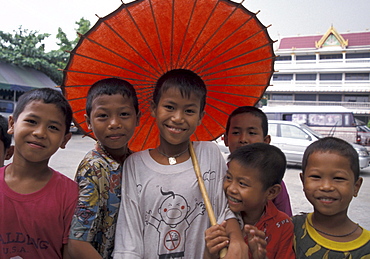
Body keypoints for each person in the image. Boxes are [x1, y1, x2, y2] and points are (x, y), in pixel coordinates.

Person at [113, 69, 246, 258]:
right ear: (153, 108)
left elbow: (225, 210)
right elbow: (129, 236)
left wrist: (238, 239)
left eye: (189, 111)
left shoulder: (209, 153)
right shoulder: (134, 165)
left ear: (200, 116)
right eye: (169, 107)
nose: (178, 118)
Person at [0, 88, 78, 258]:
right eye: (31, 121)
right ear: (12, 124)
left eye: (53, 127)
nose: (40, 133)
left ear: (65, 139)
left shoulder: (70, 194)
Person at [68, 78, 140, 259]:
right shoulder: (94, 168)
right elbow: (77, 242)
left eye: (124, 114)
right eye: (103, 116)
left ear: (137, 118)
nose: (114, 123)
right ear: (88, 121)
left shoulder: (136, 162)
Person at [205, 143, 295, 259]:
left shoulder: (282, 225)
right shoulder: (218, 215)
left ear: (271, 192)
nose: (231, 188)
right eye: (228, 178)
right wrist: (209, 254)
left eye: (242, 184)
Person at [293, 137, 370, 258]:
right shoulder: (289, 228)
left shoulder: (366, 248)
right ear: (303, 181)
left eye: (339, 178)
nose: (326, 187)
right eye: (316, 176)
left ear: (356, 186)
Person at [224, 106, 293, 216]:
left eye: (252, 133)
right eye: (236, 133)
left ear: (266, 141)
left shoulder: (270, 179)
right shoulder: (220, 173)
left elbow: (285, 219)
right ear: (226, 139)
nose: (243, 139)